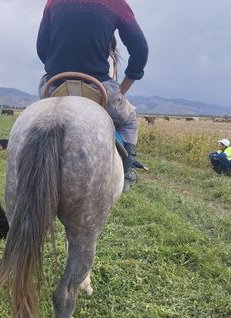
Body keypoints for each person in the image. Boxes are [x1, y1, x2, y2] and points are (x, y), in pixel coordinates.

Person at [36, 0, 149, 191]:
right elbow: (141, 50)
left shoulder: (52, 2)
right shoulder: (116, 3)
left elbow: (41, 48)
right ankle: (127, 170)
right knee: (130, 119)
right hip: (98, 87)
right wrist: (122, 89)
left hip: (53, 85)